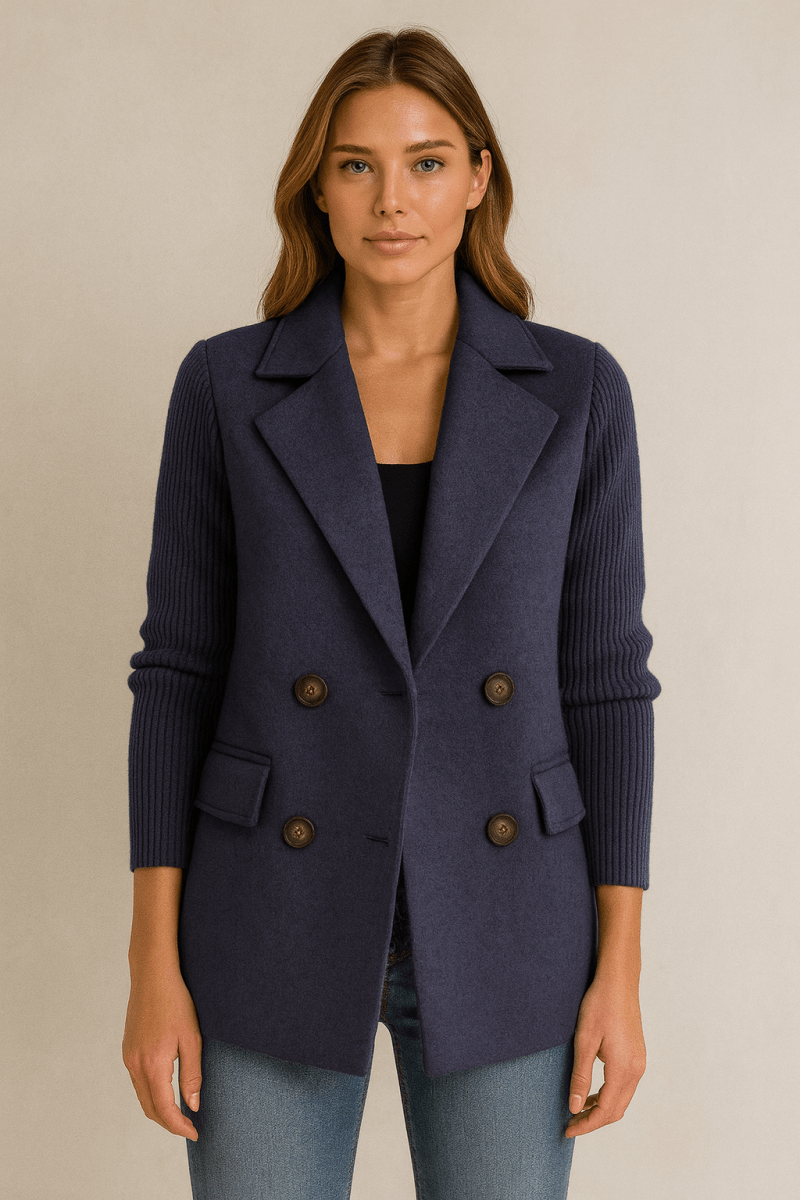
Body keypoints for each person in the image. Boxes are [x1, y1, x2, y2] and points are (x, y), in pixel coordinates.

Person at [122, 26, 661, 1200]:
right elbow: (176, 675)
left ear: (476, 179)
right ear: (316, 188)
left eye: (425, 162)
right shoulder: (227, 385)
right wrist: (151, 963)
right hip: (269, 910)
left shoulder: (575, 391)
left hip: (508, 920)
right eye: (355, 165)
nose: (390, 200)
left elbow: (606, 687)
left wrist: (617, 970)